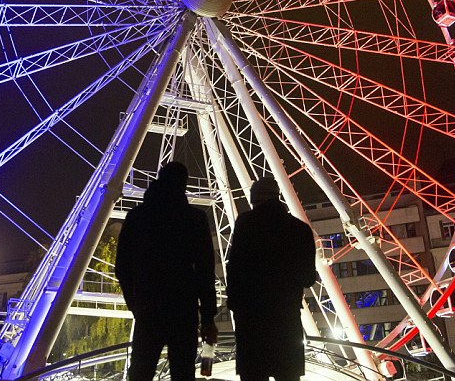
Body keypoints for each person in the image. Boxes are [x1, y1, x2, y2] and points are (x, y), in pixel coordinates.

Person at [115, 162, 218, 381]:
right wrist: (208, 316)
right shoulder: (194, 219)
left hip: (148, 306)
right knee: (183, 371)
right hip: (183, 308)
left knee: (141, 370)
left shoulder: (137, 217)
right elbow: (205, 270)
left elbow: (122, 267)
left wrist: (136, 303)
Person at [226, 176, 318, 381]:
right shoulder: (300, 229)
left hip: (251, 319)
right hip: (286, 319)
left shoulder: (246, 224)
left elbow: (234, 269)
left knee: (253, 374)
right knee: (287, 374)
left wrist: (235, 305)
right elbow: (307, 278)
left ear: (254, 199)